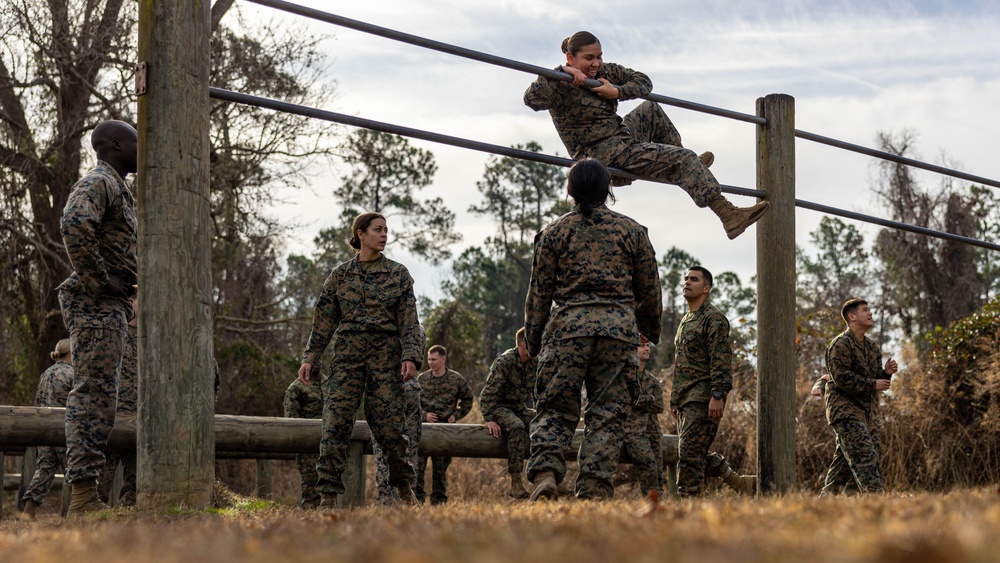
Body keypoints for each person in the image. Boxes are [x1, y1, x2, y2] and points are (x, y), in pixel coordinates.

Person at [524, 31, 770, 240]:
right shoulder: (559, 84)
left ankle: (687, 166)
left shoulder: (603, 73)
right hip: (600, 158)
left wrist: (617, 92)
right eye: (588, 58)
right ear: (570, 57)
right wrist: (560, 74)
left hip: (621, 138)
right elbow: (532, 99)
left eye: (599, 56)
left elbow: (643, 82)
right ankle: (729, 215)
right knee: (683, 159)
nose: (596, 63)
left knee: (650, 109)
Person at [524, 158, 662, 501]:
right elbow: (650, 290)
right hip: (617, 331)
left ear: (570, 190)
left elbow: (539, 293)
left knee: (554, 406)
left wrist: (534, 337)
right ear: (608, 189)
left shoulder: (554, 232)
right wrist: (647, 330)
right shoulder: (632, 231)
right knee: (607, 413)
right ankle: (594, 488)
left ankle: (545, 473)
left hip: (567, 328)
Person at [297, 212, 425, 508]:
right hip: (347, 358)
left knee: (392, 429)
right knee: (335, 425)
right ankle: (327, 497)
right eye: (378, 230)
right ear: (361, 234)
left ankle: (405, 490)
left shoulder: (399, 274)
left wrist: (411, 357)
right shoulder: (340, 275)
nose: (384, 235)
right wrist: (310, 358)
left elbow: (409, 322)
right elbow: (323, 322)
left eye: (386, 230)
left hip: (385, 357)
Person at [58, 119, 138, 517]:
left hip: (108, 307)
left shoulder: (120, 188)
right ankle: (84, 498)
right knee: (93, 395)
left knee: (103, 395)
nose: (143, 148)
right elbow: (74, 223)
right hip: (94, 305)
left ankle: (89, 496)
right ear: (115, 144)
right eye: (137, 141)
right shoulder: (100, 181)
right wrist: (99, 281)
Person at [669, 266, 737, 497]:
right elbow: (681, 364)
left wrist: (717, 395)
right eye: (686, 278)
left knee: (689, 455)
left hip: (703, 397)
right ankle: (740, 483)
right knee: (692, 452)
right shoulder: (686, 320)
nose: (687, 282)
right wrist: (675, 400)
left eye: (694, 279)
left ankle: (689, 505)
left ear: (706, 288)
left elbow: (721, 360)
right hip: (686, 399)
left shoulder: (714, 318)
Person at [821, 298, 896, 495]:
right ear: (852, 316)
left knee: (844, 467)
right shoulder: (840, 345)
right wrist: (874, 383)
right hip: (845, 411)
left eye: (869, 309)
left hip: (867, 413)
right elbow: (842, 379)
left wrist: (886, 373)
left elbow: (874, 380)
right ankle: (876, 499)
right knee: (864, 455)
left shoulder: (872, 347)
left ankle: (825, 502)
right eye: (864, 310)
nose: (870, 313)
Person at [17, 339, 75, 521]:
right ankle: (79, 512)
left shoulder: (45, 374)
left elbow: (37, 401)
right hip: (65, 431)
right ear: (70, 354)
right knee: (76, 471)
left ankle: (29, 510)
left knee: (44, 470)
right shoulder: (73, 373)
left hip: (44, 430)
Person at [481, 328, 539, 499]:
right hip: (499, 407)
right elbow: (488, 393)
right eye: (534, 342)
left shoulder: (534, 362)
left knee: (544, 422)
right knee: (516, 426)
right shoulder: (505, 361)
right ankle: (516, 483)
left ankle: (545, 477)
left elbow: (538, 392)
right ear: (523, 344)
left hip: (519, 408)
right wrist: (488, 419)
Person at [415, 345, 473, 504]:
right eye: (429, 359)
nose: (430, 362)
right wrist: (425, 415)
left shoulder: (456, 379)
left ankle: (438, 503)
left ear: (443, 359)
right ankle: (416, 501)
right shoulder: (422, 379)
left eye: (434, 359)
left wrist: (457, 415)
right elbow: (411, 404)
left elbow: (468, 399)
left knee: (440, 470)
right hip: (424, 431)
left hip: (445, 431)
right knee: (418, 467)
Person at [97, 295, 138, 507]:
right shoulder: (115, 332)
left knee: (135, 480)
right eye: (135, 299)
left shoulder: (152, 338)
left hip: (139, 418)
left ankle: (128, 520)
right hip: (112, 414)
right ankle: (90, 516)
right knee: (103, 472)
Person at [619, 336, 664, 497]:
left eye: (647, 345)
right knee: (648, 466)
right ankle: (652, 501)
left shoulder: (652, 381)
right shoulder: (625, 376)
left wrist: (640, 400)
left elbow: (659, 406)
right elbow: (625, 399)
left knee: (658, 471)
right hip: (633, 431)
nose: (646, 349)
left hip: (653, 431)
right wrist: (647, 399)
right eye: (641, 346)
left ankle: (659, 505)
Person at [372, 378, 422, 506]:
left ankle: (405, 508)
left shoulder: (410, 380)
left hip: (406, 433)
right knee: (386, 467)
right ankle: (389, 508)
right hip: (386, 425)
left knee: (406, 468)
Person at [283, 364, 324, 509]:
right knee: (310, 485)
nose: (316, 363)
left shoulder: (328, 383)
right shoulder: (296, 388)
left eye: (318, 359)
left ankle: (330, 518)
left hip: (328, 445)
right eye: (313, 359)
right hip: (308, 447)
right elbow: (291, 421)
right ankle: (309, 519)